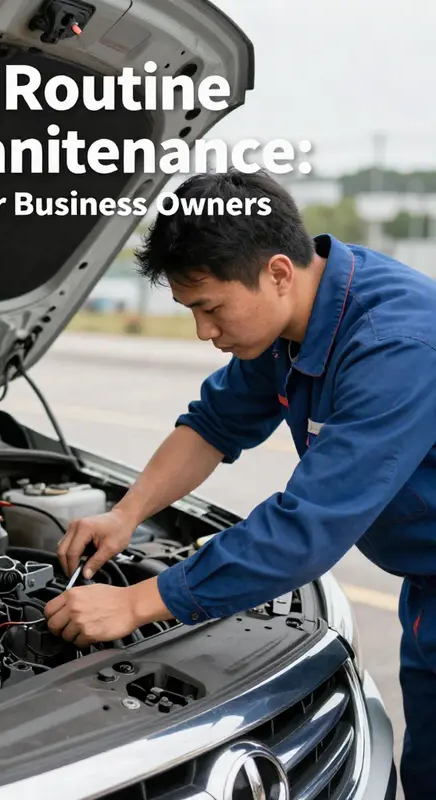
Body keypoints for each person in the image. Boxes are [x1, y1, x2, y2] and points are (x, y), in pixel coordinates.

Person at [43, 167, 436, 798]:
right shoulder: (285, 326)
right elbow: (212, 425)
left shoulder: (395, 345)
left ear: (279, 272)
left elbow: (307, 528)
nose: (203, 332)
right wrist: (126, 515)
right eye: (190, 310)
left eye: (210, 307)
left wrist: (137, 603)